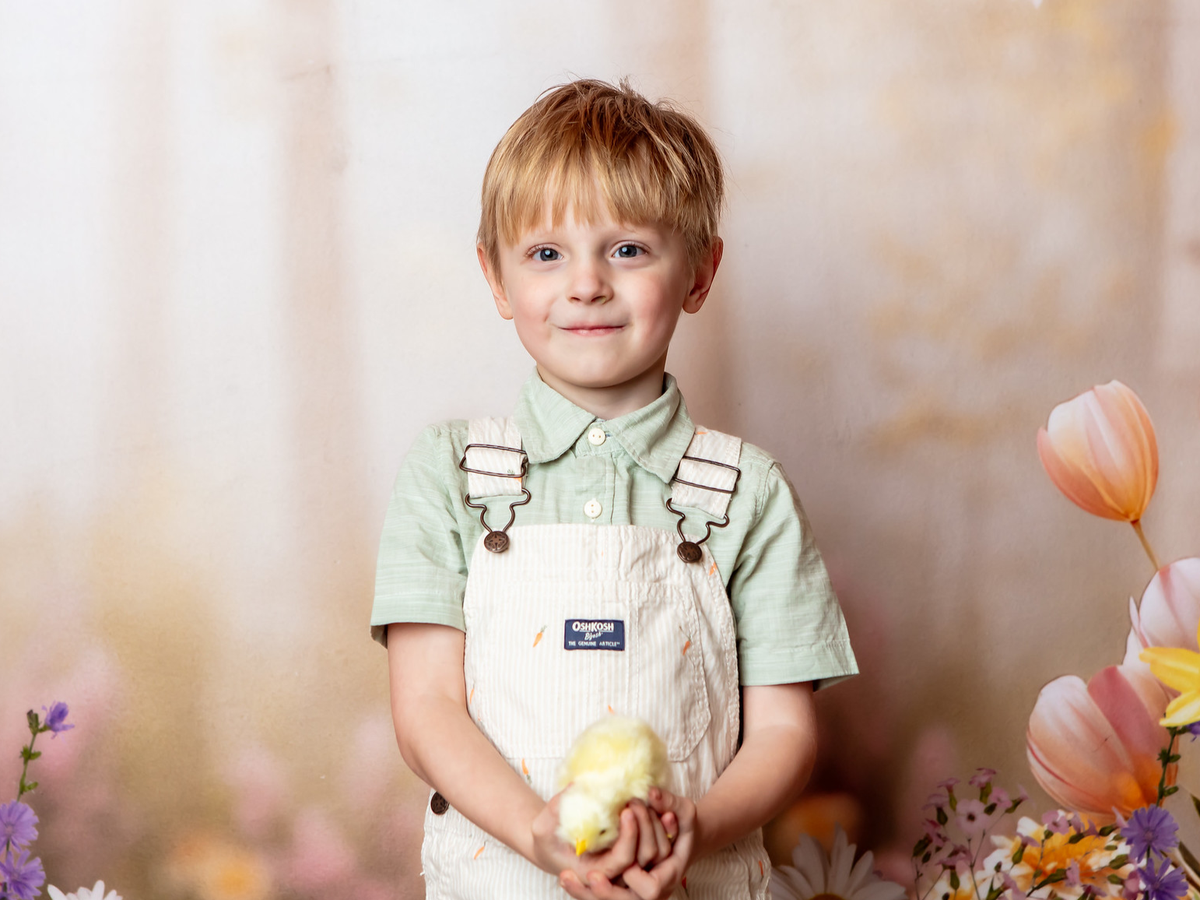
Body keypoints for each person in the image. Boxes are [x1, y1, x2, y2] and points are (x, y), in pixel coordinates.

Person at [372, 78, 858, 900]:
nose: (587, 284)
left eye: (627, 250)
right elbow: (425, 710)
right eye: (547, 254)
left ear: (699, 273)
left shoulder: (749, 494)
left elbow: (784, 732)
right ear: (496, 277)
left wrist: (696, 825)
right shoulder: (450, 475)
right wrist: (537, 831)